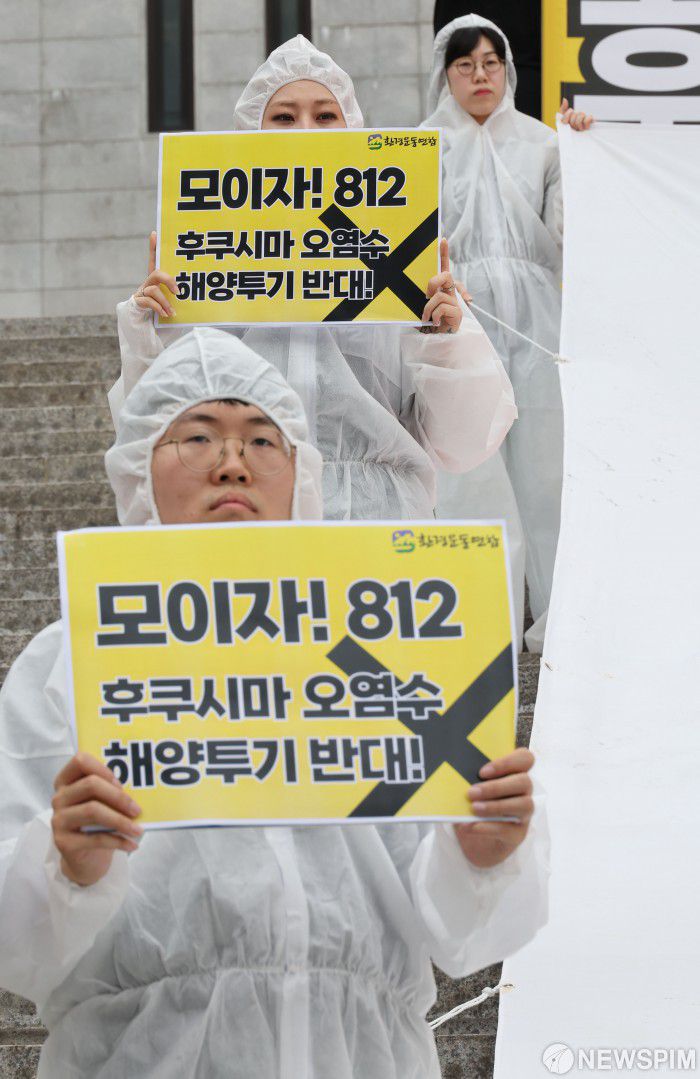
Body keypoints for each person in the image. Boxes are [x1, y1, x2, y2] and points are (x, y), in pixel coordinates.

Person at [0, 329, 548, 1078]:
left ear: (303, 474)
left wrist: (479, 855)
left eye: (263, 440)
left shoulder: (390, 647)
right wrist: (67, 868)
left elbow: (466, 933)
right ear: (138, 465)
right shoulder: (66, 663)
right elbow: (15, 946)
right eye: (197, 436)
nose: (233, 462)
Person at [111, 34, 517, 524]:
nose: (305, 130)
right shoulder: (208, 257)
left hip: (378, 522)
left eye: (325, 115)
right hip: (251, 517)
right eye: (284, 117)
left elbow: (463, 442)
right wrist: (152, 332)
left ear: (351, 127)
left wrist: (446, 341)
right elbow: (152, 429)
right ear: (251, 131)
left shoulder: (404, 263)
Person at [422, 14, 592, 649]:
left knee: (548, 466)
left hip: (538, 316)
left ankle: (562, 622)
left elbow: (572, 230)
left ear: (508, 69)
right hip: (460, 314)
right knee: (469, 466)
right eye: (465, 64)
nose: (480, 76)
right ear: (446, 73)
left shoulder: (543, 143)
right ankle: (481, 618)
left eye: (491, 63)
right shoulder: (419, 147)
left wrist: (585, 150)